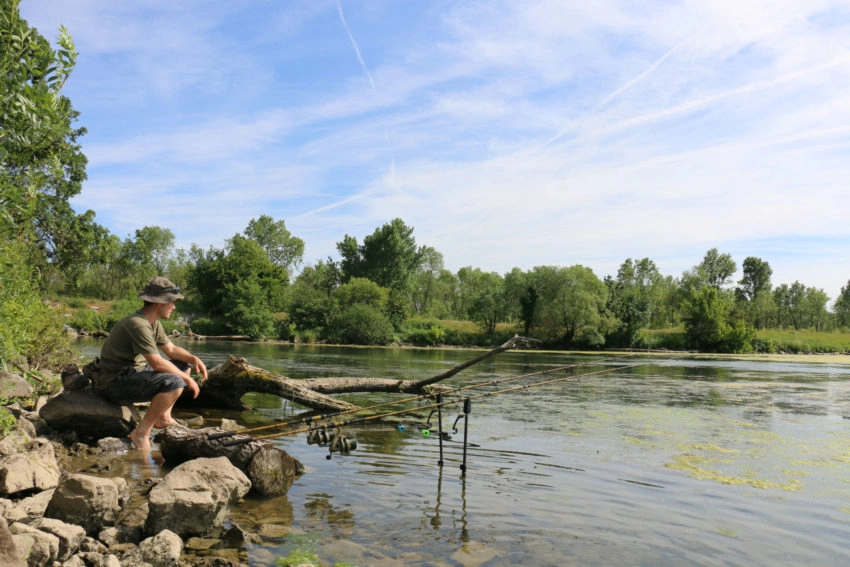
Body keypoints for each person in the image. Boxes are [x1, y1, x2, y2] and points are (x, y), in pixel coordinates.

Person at [94, 276, 208, 451]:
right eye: (171, 302)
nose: (174, 306)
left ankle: (163, 417)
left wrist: (193, 359)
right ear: (159, 304)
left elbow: (171, 350)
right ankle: (141, 433)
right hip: (112, 381)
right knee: (176, 382)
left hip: (131, 373)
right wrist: (187, 379)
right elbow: (156, 363)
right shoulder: (138, 324)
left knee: (183, 364)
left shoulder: (153, 323)